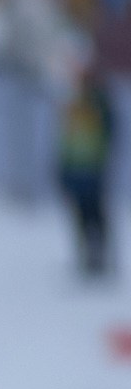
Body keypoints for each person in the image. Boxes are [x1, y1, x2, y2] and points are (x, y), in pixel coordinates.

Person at [58, 63, 117, 281]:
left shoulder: (100, 105)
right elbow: (67, 138)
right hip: (76, 169)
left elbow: (108, 135)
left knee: (95, 215)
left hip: (93, 169)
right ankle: (86, 258)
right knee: (81, 215)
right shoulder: (74, 104)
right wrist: (63, 167)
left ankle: (100, 257)